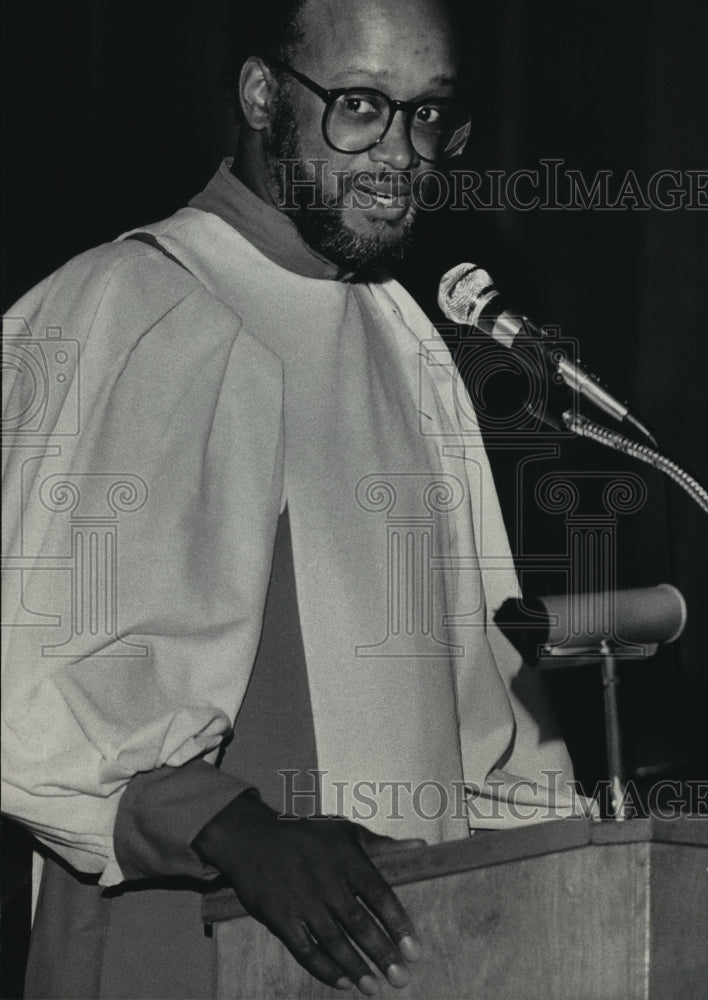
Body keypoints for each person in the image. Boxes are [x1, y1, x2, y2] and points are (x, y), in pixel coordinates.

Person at [2, 1, 578, 996]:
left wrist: (563, 875)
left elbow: (489, 713)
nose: (402, 151)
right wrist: (231, 823)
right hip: (180, 947)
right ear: (262, 94)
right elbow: (26, 674)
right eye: (360, 105)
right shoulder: (117, 308)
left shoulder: (412, 350)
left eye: (429, 114)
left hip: (409, 952)